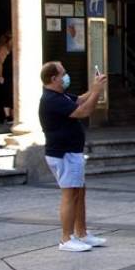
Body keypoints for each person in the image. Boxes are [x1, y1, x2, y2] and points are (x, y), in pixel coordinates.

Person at [39, 61, 108, 252]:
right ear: (54, 78)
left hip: (71, 152)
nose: (66, 76)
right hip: (63, 153)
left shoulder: (61, 96)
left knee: (79, 192)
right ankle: (66, 238)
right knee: (69, 194)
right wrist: (96, 92)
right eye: (63, 73)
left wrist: (95, 88)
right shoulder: (52, 100)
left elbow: (80, 100)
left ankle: (82, 233)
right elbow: (84, 111)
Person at [0, 33, 13, 123]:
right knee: (7, 95)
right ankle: (7, 116)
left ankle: (11, 116)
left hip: (11, 75)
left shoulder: (11, 49)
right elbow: (0, 63)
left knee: (10, 95)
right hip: (6, 76)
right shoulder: (3, 49)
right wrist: (0, 75)